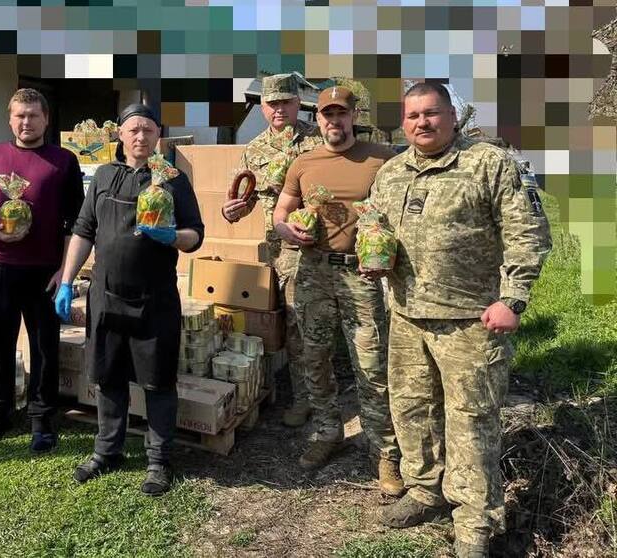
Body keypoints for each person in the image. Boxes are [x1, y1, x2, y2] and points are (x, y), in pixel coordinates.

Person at [369, 83, 551, 558]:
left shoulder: (489, 163)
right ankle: (425, 490)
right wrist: (373, 253)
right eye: (412, 116)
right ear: (403, 122)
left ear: (453, 116)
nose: (422, 123)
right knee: (412, 411)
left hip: (471, 321)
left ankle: (475, 523)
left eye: (431, 113)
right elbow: (375, 227)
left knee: (471, 423)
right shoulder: (391, 172)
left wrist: (513, 299)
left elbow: (528, 232)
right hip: (407, 316)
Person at [55, 104, 204, 496]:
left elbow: (195, 235)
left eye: (148, 130)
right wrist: (67, 281)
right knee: (108, 377)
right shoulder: (104, 176)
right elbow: (84, 230)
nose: (141, 136)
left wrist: (173, 237)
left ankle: (159, 461)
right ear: (120, 134)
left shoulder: (173, 179)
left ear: (158, 136)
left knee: (158, 382)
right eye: (133, 129)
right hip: (106, 296)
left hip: (154, 299)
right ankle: (107, 451)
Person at [272, 86, 403, 495]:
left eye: (341, 113)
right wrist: (286, 229)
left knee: (371, 363)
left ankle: (384, 451)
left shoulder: (382, 157)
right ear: (319, 119)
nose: (334, 121)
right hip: (313, 271)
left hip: (362, 275)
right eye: (327, 114)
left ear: (353, 116)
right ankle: (328, 431)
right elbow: (281, 210)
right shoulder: (304, 162)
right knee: (314, 356)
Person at [0, 88, 84, 452]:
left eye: (33, 115)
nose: (26, 122)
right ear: (10, 119)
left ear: (46, 119)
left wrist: (64, 271)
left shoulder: (64, 160)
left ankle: (42, 418)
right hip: (0, 266)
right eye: (20, 115)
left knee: (44, 346)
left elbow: (76, 220)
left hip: (45, 271)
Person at [222, 73, 322, 428]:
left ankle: (318, 396)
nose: (279, 110)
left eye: (286, 102)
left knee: (314, 326)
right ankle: (300, 395)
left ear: (298, 104)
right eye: (272, 104)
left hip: (320, 248)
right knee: (290, 324)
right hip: (280, 252)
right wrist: (231, 211)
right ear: (263, 107)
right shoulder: (254, 149)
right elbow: (243, 198)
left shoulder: (318, 139)